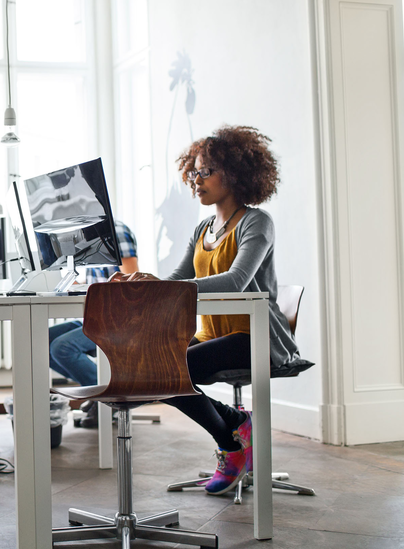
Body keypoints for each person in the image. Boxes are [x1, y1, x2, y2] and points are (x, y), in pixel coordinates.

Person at [111, 125, 302, 496]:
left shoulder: (256, 222)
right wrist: (149, 282)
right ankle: (234, 423)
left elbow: (236, 281)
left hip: (255, 337)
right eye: (194, 172)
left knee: (169, 370)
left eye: (206, 172)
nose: (196, 180)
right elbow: (181, 278)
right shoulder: (203, 228)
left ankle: (231, 445)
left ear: (234, 174)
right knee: (154, 369)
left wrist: (167, 287)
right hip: (212, 333)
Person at [48, 222, 140, 428]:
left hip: (118, 316)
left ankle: (108, 399)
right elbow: (91, 282)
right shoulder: (83, 235)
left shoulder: (116, 232)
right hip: (93, 313)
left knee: (62, 347)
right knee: (40, 340)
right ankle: (99, 394)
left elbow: (133, 281)